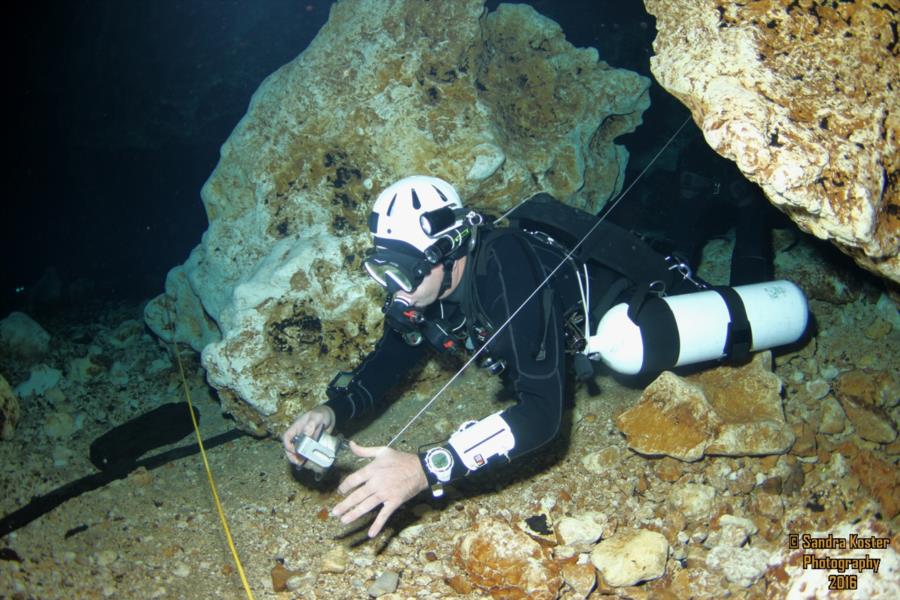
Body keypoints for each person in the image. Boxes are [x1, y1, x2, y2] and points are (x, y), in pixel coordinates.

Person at [281, 174, 773, 538]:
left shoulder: (505, 271)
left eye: (404, 273)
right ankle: (697, 204)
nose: (395, 292)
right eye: (381, 270)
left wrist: (426, 468)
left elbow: (540, 415)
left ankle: (751, 210)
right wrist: (332, 410)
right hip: (563, 310)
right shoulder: (420, 294)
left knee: (741, 324)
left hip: (629, 309)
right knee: (682, 248)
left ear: (449, 252)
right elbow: (392, 355)